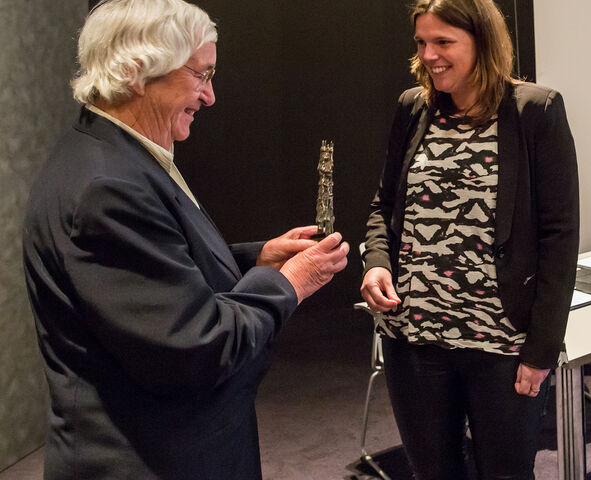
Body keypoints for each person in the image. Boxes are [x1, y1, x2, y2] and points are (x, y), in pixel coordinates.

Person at [21, 0, 349, 478]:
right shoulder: (107, 189)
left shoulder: (113, 155)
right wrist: (289, 283)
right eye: (201, 75)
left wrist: (256, 259)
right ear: (138, 72)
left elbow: (159, 276)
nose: (210, 96)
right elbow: (196, 349)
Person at [359, 0, 578, 477]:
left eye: (444, 42)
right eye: (422, 42)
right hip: (415, 338)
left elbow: (559, 238)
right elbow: (385, 207)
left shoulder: (535, 110)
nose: (429, 55)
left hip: (501, 345)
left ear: (482, 41)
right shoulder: (412, 107)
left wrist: (542, 350)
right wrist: (377, 261)